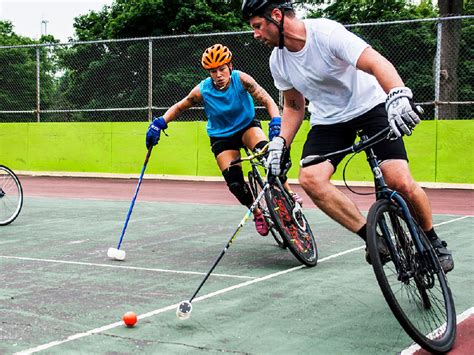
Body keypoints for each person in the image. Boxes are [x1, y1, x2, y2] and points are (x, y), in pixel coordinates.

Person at [241, 0, 454, 272]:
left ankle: (433, 240)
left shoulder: (327, 34)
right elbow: (294, 106)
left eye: (258, 26)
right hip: (329, 121)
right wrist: (281, 143)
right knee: (310, 179)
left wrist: (398, 95)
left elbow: (376, 62)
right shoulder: (278, 62)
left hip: (370, 107)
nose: (255, 34)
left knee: (398, 180)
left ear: (277, 16)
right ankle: (373, 238)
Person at [145, 43, 302, 236]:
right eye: (213, 71)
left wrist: (276, 121)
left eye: (222, 69)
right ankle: (258, 212)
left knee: (270, 157)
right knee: (235, 183)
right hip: (221, 136)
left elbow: (267, 99)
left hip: (247, 127)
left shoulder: (241, 79)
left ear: (230, 67)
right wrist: (159, 123)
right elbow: (180, 107)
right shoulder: (203, 90)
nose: (218, 75)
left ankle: (289, 192)